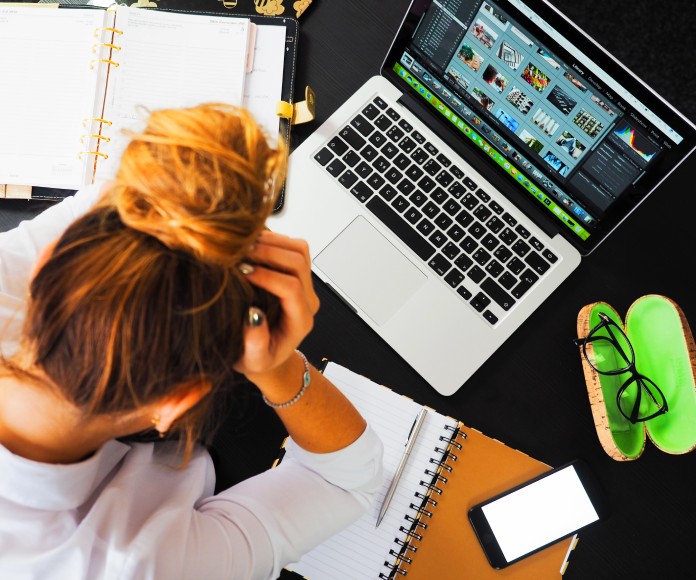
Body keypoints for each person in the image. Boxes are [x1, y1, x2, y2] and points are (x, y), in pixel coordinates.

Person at [0, 104, 384, 579]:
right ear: (177, 402)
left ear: (40, 272)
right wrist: (279, 369)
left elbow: (114, 199)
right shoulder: (142, 567)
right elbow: (343, 481)